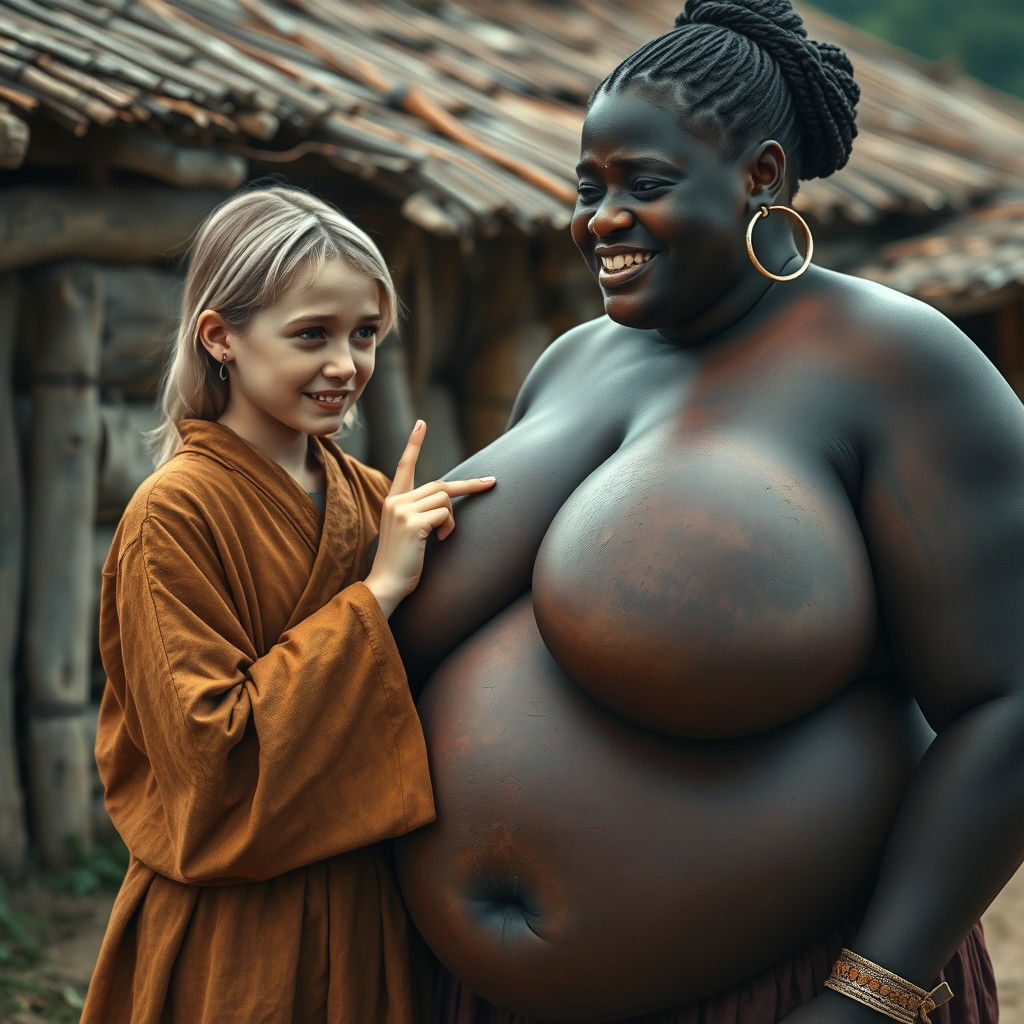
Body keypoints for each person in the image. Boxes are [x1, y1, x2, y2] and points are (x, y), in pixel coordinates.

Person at [390, 2, 1023, 1023]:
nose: (601, 218)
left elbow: (1007, 705)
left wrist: (869, 998)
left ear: (761, 176)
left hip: (777, 993)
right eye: (588, 188)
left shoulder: (893, 364)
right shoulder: (567, 365)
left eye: (645, 185)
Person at [81, 185, 495, 1024]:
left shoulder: (371, 501)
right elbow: (213, 765)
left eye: (364, 334)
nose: (346, 364)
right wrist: (377, 595)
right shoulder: (172, 515)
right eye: (312, 334)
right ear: (220, 336)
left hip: (371, 916)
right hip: (233, 935)